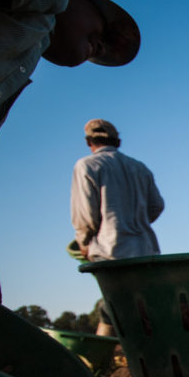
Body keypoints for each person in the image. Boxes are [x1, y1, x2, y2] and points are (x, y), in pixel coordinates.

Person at [0, 0, 140, 309]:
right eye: (101, 25)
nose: (103, 42)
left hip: (110, 250)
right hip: (138, 250)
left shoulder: (14, 74)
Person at [70, 119, 163, 336]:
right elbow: (157, 205)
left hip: (110, 249)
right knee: (138, 303)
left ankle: (103, 359)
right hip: (145, 249)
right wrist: (136, 220)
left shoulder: (87, 165)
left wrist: (84, 242)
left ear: (89, 142)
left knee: (114, 304)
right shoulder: (139, 168)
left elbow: (85, 216)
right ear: (117, 141)